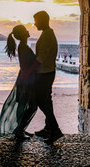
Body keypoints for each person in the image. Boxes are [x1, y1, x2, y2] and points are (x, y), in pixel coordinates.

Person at [0, 25, 38, 141]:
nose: (28, 31)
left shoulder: (23, 46)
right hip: (26, 80)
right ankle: (19, 131)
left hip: (25, 79)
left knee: (24, 105)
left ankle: (20, 129)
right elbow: (24, 66)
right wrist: (37, 63)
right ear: (23, 34)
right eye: (25, 30)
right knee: (30, 106)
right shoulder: (23, 47)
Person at [33, 10, 64, 144]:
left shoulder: (47, 36)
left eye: (36, 21)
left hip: (44, 73)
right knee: (47, 100)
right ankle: (48, 128)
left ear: (43, 21)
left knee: (41, 100)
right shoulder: (46, 34)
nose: (34, 24)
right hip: (47, 71)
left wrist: (29, 70)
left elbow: (41, 57)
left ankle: (55, 129)